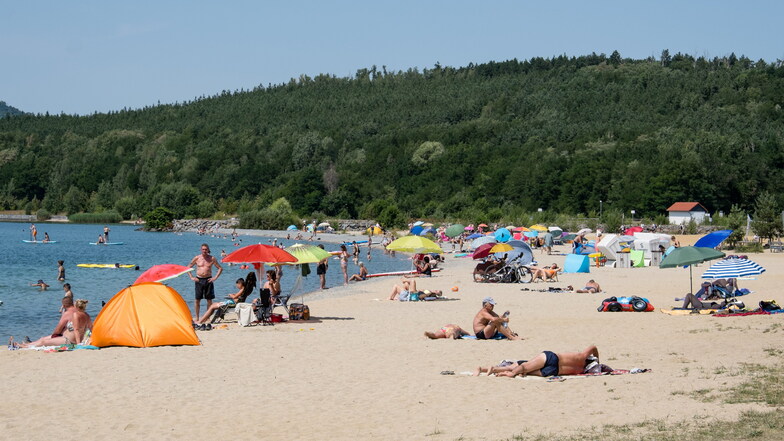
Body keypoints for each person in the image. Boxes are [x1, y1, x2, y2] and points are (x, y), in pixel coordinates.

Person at [12, 297, 93, 348]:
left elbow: (76, 330)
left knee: (44, 341)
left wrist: (78, 344)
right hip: (67, 338)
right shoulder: (87, 315)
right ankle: (27, 345)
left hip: (68, 340)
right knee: (43, 339)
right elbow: (91, 328)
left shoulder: (74, 315)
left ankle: (26, 346)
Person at [474, 346, 600, 378]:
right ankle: (494, 370)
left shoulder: (582, 356)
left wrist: (598, 358)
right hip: (553, 371)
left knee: (523, 367)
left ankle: (488, 369)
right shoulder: (583, 370)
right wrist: (598, 363)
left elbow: (593, 347)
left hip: (552, 359)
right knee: (523, 369)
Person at [187, 243, 223, 320]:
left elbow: (220, 268)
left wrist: (215, 278)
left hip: (208, 280)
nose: (204, 251)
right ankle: (197, 317)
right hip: (198, 280)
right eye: (203, 249)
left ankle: (208, 317)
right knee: (197, 300)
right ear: (201, 250)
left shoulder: (212, 258)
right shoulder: (197, 258)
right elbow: (188, 268)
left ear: (208, 250)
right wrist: (192, 277)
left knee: (209, 300)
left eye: (206, 249)